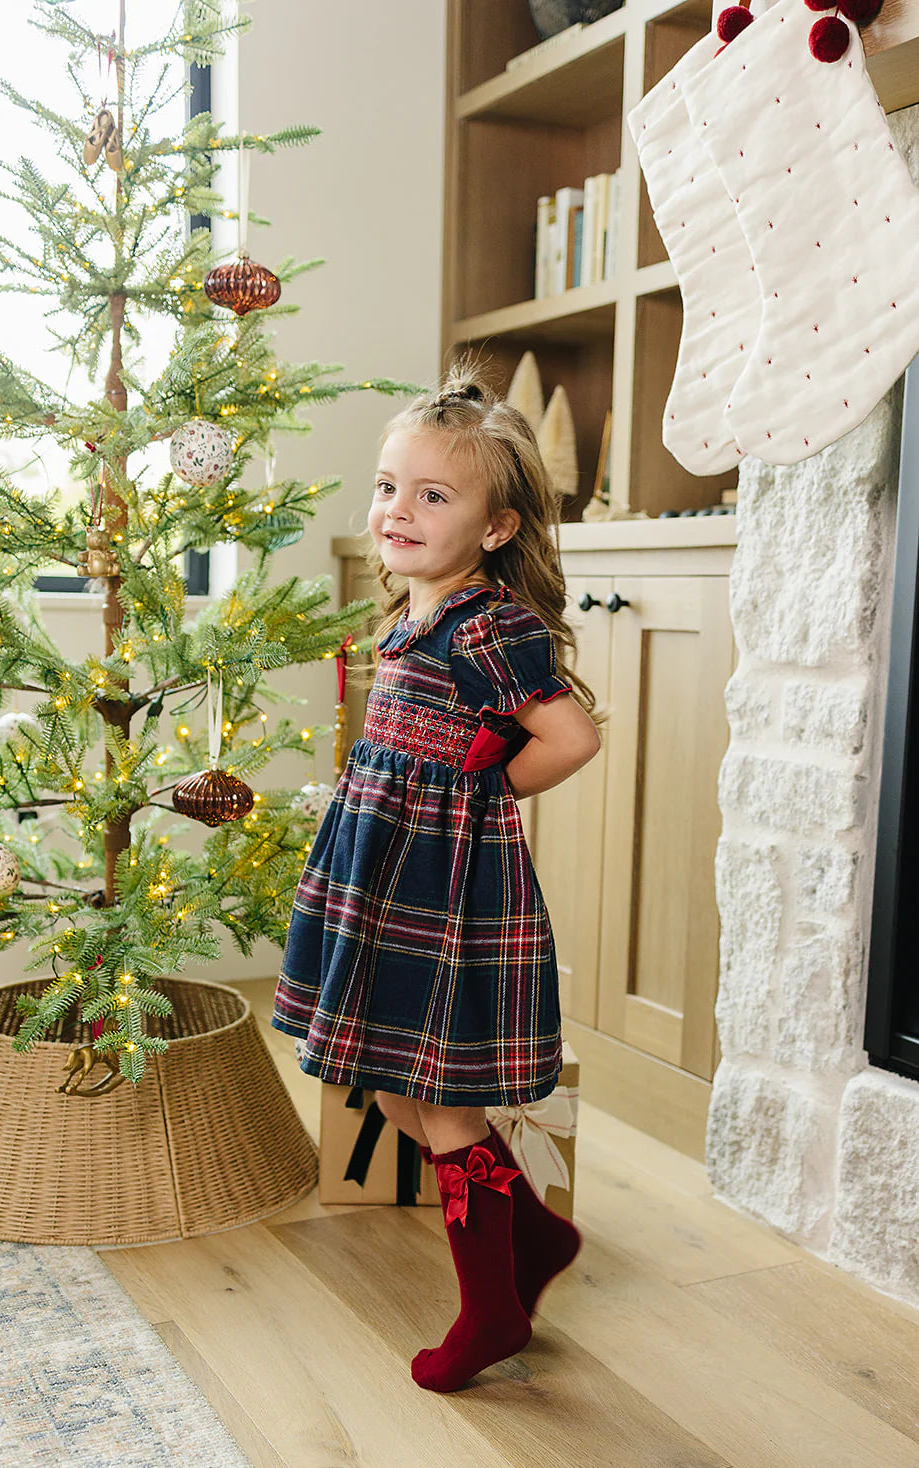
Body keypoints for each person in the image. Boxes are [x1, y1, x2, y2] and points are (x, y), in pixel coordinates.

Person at [272, 359, 605, 1392]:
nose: (398, 509)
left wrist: (492, 778)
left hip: (439, 886)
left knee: (443, 1102)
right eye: (387, 486)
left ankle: (491, 1308)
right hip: (383, 875)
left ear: (496, 527)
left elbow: (573, 736)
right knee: (397, 1084)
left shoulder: (487, 624)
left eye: (432, 494)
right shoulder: (413, 614)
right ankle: (533, 1242)